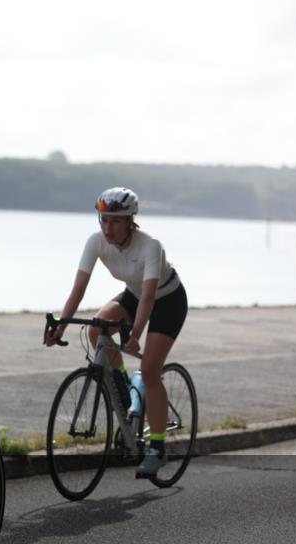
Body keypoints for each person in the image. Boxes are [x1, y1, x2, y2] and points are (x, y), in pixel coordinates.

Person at [45, 187, 188, 478]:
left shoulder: (151, 245)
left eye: (114, 221)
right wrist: (60, 325)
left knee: (149, 370)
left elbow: (149, 299)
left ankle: (157, 449)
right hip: (133, 295)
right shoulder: (96, 242)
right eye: (103, 220)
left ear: (130, 221)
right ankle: (125, 394)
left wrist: (136, 334)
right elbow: (79, 289)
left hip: (167, 300)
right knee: (97, 330)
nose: (107, 228)